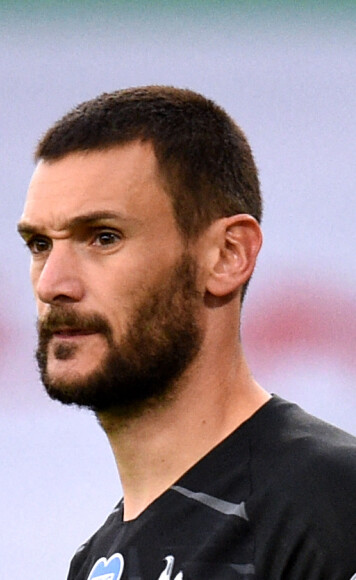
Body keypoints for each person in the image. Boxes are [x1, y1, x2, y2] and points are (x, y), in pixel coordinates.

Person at [17, 86, 356, 580]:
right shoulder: (94, 563)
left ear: (227, 255)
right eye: (40, 244)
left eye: (103, 237)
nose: (52, 285)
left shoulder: (331, 506)